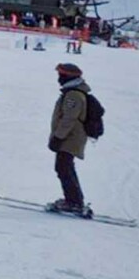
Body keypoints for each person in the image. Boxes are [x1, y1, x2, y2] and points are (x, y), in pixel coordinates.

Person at [47, 62, 95, 213]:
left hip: (71, 137)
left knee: (63, 167)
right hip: (70, 136)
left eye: (61, 75)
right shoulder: (72, 92)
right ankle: (74, 200)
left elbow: (69, 119)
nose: (59, 79)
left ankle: (74, 202)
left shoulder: (73, 95)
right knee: (64, 167)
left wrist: (58, 137)